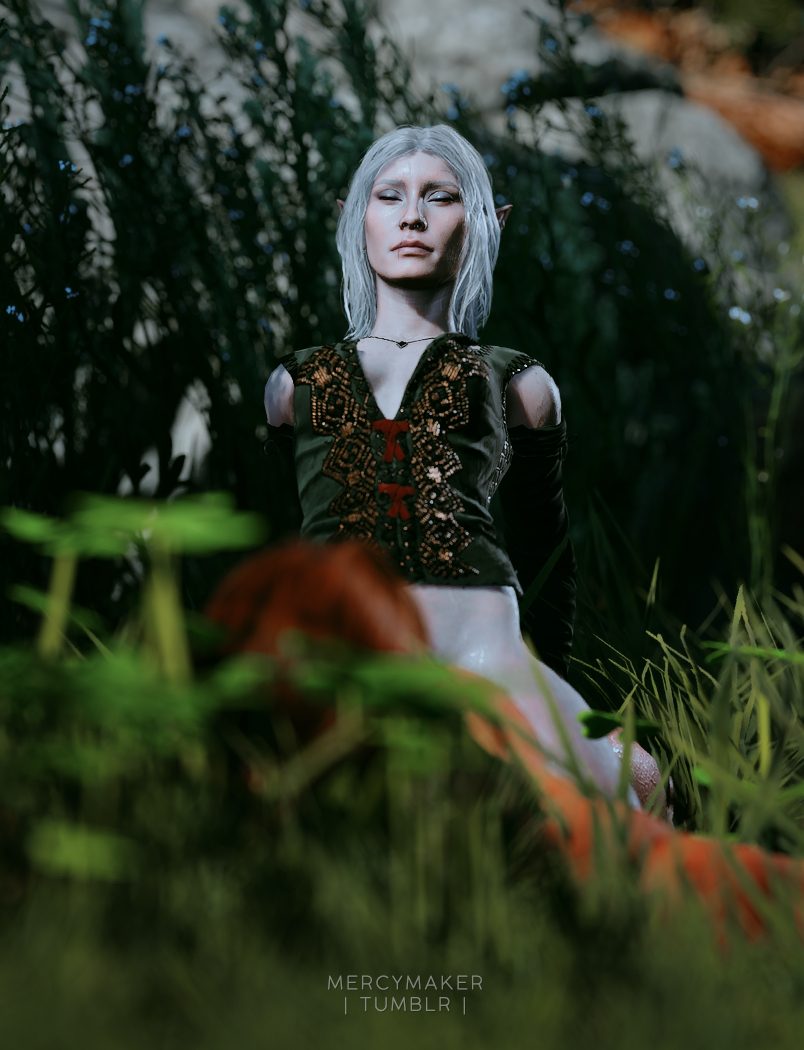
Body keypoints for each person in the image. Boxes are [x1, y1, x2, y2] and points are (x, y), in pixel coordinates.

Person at [263, 124, 661, 807]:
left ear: (486, 221)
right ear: (354, 217)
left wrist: (550, 683)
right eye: (390, 196)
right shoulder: (292, 384)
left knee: (636, 783)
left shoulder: (520, 383)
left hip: (484, 649)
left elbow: (545, 554)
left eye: (440, 196)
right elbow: (280, 536)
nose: (412, 217)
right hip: (338, 643)